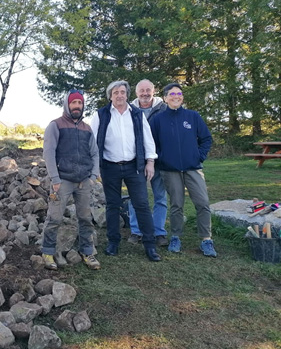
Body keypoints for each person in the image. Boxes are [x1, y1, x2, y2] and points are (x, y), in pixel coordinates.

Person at [90, 80, 161, 262]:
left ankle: (150, 245)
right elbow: (92, 143)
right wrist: (95, 166)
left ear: (127, 94)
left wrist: (150, 162)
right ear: (110, 96)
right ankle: (113, 242)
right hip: (110, 167)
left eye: (122, 92)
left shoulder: (136, 114)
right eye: (116, 92)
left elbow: (147, 138)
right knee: (112, 205)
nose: (119, 95)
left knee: (142, 205)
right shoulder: (101, 115)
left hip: (133, 166)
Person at [150, 83, 217, 257]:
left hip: (193, 168)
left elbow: (206, 139)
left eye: (179, 93)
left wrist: (198, 156)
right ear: (165, 98)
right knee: (176, 205)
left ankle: (206, 240)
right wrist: (162, 159)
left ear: (182, 97)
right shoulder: (158, 120)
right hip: (170, 170)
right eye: (172, 94)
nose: (176, 96)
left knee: (202, 203)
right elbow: (152, 145)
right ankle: (176, 237)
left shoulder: (192, 116)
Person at [41, 89, 101, 271]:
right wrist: (55, 178)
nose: (77, 106)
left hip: (83, 181)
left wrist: (92, 176)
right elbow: (49, 152)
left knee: (85, 218)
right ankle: (48, 251)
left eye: (80, 103)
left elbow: (95, 153)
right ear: (67, 104)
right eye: (74, 103)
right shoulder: (56, 125)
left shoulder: (87, 128)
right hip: (62, 181)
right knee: (54, 218)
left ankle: (87, 251)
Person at [126, 79, 169, 247]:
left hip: (159, 160)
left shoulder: (163, 109)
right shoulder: (129, 110)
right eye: (141, 90)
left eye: (148, 90)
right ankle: (136, 231)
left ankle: (159, 232)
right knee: (135, 197)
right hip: (135, 161)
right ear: (136, 93)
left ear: (154, 91)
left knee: (160, 196)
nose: (145, 93)